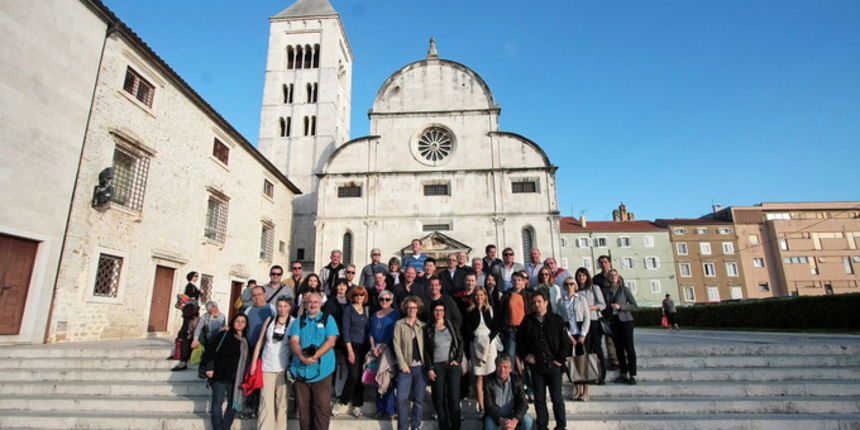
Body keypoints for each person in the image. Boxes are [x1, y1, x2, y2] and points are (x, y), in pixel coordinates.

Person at [517, 290, 571, 430]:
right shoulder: (527, 321)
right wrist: (526, 355)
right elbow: (519, 341)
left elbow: (566, 343)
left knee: (557, 399)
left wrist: (559, 360)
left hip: (554, 366)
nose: (536, 305)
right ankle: (542, 426)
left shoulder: (557, 320)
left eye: (539, 302)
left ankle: (561, 426)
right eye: (534, 302)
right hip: (537, 367)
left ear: (546, 303)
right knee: (539, 400)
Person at [289, 291, 339, 430]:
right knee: (303, 410)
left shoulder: (329, 319)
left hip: (321, 371)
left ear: (321, 304)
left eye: (316, 302)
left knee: (321, 408)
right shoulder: (299, 321)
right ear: (305, 305)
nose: (312, 305)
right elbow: (294, 341)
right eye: (309, 302)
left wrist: (315, 356)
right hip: (301, 371)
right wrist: (301, 356)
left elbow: (331, 341)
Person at [249, 296, 294, 430]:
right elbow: (260, 342)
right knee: (265, 401)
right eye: (280, 306)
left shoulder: (293, 322)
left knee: (282, 402)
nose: (282, 309)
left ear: (289, 307)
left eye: (285, 306)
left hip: (283, 365)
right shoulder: (269, 321)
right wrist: (253, 363)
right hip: (267, 365)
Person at [202, 313, 249, 430]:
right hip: (219, 374)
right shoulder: (224, 334)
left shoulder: (245, 340)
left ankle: (225, 426)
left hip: (236, 377)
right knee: (217, 402)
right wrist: (210, 366)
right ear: (233, 322)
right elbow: (211, 351)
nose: (240, 323)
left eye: (243, 322)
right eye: (237, 321)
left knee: (233, 404)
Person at [424, 303, 464, 430]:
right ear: (432, 312)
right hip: (437, 366)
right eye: (436, 310)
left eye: (441, 310)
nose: (439, 313)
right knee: (439, 398)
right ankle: (444, 426)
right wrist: (429, 367)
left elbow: (460, 342)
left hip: (452, 366)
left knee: (453, 399)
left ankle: (455, 426)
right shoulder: (428, 329)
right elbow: (426, 350)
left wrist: (457, 359)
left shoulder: (451, 326)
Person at [336, 286, 371, 417]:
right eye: (356, 295)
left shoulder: (367, 310)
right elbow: (345, 331)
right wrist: (349, 351)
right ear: (352, 296)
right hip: (352, 346)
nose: (359, 297)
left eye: (361, 295)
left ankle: (357, 404)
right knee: (354, 375)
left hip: (364, 346)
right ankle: (342, 401)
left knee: (361, 377)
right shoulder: (348, 310)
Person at [393, 296, 427, 430]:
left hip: (420, 368)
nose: (411, 310)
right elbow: (396, 345)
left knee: (419, 400)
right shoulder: (399, 324)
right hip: (405, 368)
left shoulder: (423, 326)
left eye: (414, 308)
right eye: (409, 308)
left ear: (418, 309)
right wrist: (403, 364)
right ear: (405, 309)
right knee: (401, 398)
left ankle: (416, 425)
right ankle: (403, 426)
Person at [241, 286, 276, 418]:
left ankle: (261, 406)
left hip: (266, 349)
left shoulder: (272, 309)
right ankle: (250, 406)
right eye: (254, 295)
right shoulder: (249, 309)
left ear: (265, 294)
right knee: (251, 376)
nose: (257, 297)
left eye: (259, 294)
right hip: (250, 348)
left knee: (263, 379)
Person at [602, 269, 639, 384]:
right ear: (608, 278)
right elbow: (604, 306)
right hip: (613, 322)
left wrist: (621, 307)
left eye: (615, 275)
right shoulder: (605, 291)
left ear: (618, 277)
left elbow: (634, 306)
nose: (613, 277)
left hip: (626, 321)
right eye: (611, 275)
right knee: (618, 348)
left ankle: (632, 374)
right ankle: (624, 373)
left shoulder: (624, 290)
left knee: (629, 347)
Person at [466, 287, 499, 412]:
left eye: (481, 295)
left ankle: (493, 404)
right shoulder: (469, 311)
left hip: (490, 343)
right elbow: (468, 329)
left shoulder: (490, 310)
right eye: (477, 295)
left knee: (491, 374)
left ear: (485, 296)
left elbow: (496, 326)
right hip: (476, 343)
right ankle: (482, 406)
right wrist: (477, 340)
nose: (479, 298)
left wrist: (488, 340)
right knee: (479, 376)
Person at [370, 290, 401, 419]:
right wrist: (373, 347)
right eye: (382, 299)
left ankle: (390, 409)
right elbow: (370, 332)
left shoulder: (395, 314)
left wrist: (383, 346)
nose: (384, 302)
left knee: (388, 379)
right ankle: (379, 408)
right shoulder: (374, 315)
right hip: (375, 350)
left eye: (387, 299)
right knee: (378, 380)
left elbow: (394, 332)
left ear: (392, 301)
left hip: (389, 350)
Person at [483, 355, 534, 430]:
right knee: (489, 424)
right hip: (496, 417)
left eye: (505, 367)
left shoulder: (517, 380)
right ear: (496, 367)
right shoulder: (488, 380)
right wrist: (500, 420)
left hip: (512, 415)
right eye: (499, 366)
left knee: (528, 420)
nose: (502, 370)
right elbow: (488, 405)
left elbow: (523, 403)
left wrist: (515, 420)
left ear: (510, 369)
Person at [560, 276, 591, 401]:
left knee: (582, 362)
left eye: (571, 284)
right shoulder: (561, 301)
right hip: (569, 333)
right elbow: (561, 320)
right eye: (567, 284)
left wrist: (583, 334)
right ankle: (577, 389)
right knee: (572, 363)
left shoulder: (581, 299)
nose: (569, 286)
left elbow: (586, 317)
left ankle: (586, 390)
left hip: (580, 333)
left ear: (575, 286)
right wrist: (568, 335)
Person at [574, 267, 607, 385]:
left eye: (583, 275)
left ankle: (602, 375)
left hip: (593, 320)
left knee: (597, 348)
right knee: (586, 349)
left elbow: (602, 304)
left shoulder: (594, 288)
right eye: (579, 276)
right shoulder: (576, 291)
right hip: (581, 322)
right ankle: (591, 375)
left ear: (587, 276)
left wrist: (589, 308)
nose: (581, 278)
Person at [593, 255, 621, 370]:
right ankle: (611, 361)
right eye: (601, 262)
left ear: (609, 263)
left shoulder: (617, 276)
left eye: (605, 262)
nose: (603, 264)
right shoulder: (596, 279)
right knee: (607, 338)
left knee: (617, 339)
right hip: (603, 311)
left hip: (616, 311)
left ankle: (618, 360)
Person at [497, 272, 529, 359]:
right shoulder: (507, 295)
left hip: (524, 328)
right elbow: (501, 311)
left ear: (523, 281)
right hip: (511, 328)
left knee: (525, 354)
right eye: (514, 280)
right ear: (511, 281)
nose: (516, 282)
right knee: (510, 353)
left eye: (519, 280)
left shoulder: (527, 295)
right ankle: (510, 371)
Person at [191, 301, 228, 374]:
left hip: (218, 339)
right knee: (207, 352)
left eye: (216, 308)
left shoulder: (222, 316)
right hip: (208, 339)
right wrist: (195, 340)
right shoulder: (205, 317)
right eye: (212, 309)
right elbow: (198, 329)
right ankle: (202, 371)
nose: (215, 310)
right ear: (208, 311)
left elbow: (223, 327)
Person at [172, 303, 199, 371]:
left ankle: (183, 362)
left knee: (186, 341)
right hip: (192, 339)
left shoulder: (196, 320)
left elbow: (196, 332)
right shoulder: (188, 319)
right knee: (184, 340)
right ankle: (181, 358)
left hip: (197, 340)